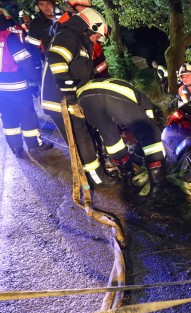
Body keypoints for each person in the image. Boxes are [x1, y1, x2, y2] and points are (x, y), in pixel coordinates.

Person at [46, 7, 114, 187]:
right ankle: (96, 178)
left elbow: (82, 73)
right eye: (97, 35)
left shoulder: (81, 42)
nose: (97, 39)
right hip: (61, 101)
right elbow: (56, 60)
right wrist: (71, 98)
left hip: (71, 100)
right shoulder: (69, 36)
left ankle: (96, 170)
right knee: (81, 138)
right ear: (89, 28)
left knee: (88, 132)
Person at [77, 77, 168, 196]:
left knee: (111, 138)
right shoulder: (145, 102)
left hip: (84, 96)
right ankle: (158, 187)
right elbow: (149, 127)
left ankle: (127, 178)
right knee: (150, 136)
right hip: (114, 93)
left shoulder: (128, 93)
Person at [0, 14, 52, 157]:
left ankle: (16, 148)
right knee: (27, 115)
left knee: (8, 118)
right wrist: (37, 80)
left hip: (1, 89)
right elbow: (25, 62)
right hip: (17, 85)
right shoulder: (9, 37)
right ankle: (34, 146)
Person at [26, 0, 61, 64]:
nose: (46, 7)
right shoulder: (35, 24)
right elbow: (32, 44)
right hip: (50, 61)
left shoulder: (62, 18)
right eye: (42, 4)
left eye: (48, 3)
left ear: (53, 4)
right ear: (38, 7)